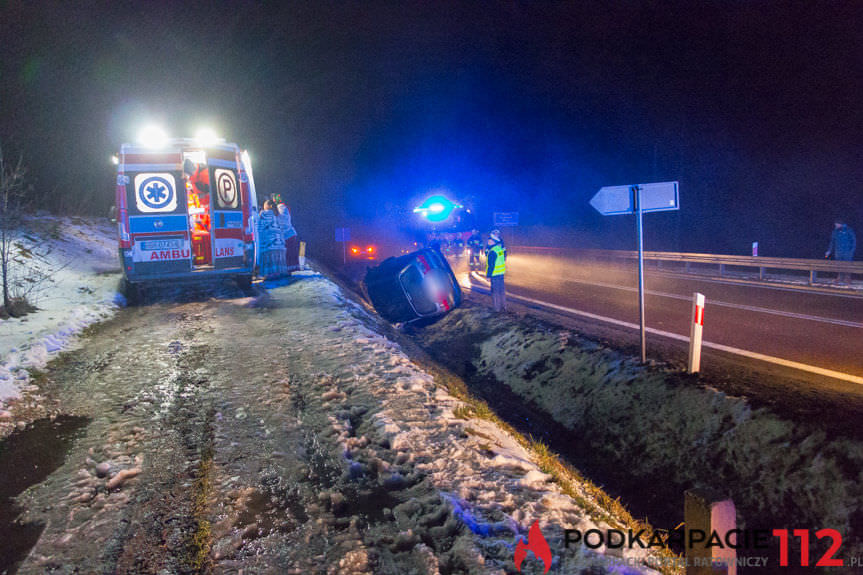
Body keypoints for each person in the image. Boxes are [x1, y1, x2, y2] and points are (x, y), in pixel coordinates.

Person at [256, 200, 287, 279]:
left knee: (269, 258)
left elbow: (259, 228)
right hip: (279, 243)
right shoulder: (277, 214)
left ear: (267, 206)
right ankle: (277, 274)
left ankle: (269, 275)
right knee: (277, 260)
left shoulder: (263, 214)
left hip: (269, 243)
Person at [825, 219, 856, 283]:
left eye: (837, 224)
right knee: (839, 264)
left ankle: (848, 277)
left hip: (847, 251)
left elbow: (853, 241)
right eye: (835, 224)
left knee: (847, 264)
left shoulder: (848, 230)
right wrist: (829, 251)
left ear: (840, 224)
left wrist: (851, 250)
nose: (835, 225)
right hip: (838, 251)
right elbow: (832, 242)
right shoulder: (835, 231)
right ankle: (840, 277)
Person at [485, 229, 506, 311]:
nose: (488, 242)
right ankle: (503, 307)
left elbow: (491, 266)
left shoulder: (492, 252)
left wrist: (488, 276)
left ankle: (497, 309)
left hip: (495, 275)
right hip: (501, 273)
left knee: (495, 292)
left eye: (489, 240)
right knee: (502, 291)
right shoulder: (499, 249)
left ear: (493, 241)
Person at [277, 202, 299, 272]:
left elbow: (283, 223)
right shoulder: (281, 210)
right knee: (290, 255)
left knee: (291, 254)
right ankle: (292, 269)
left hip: (289, 236)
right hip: (288, 236)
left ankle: (293, 270)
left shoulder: (281, 209)